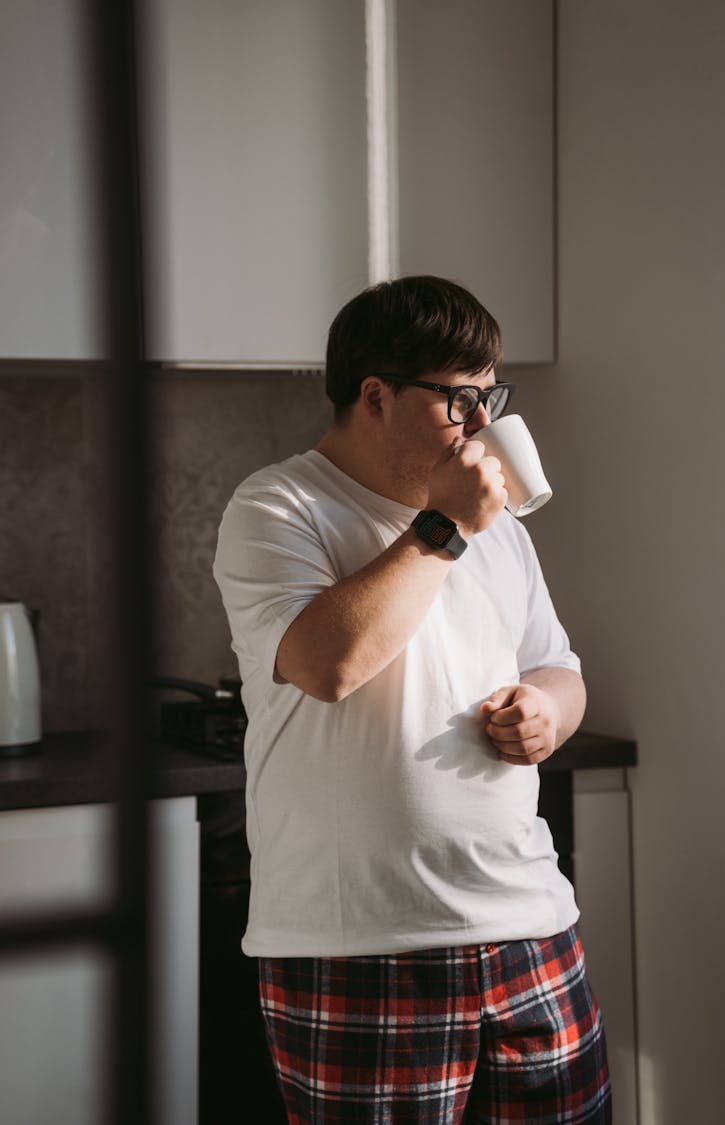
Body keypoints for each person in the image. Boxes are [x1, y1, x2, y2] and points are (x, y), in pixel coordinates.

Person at [213, 275, 611, 1123]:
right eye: (460, 400)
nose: (480, 425)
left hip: (530, 926)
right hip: (360, 947)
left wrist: (548, 710)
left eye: (489, 397)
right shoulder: (278, 506)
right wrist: (446, 526)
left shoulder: (502, 527)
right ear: (376, 395)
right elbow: (330, 663)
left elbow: (560, 666)